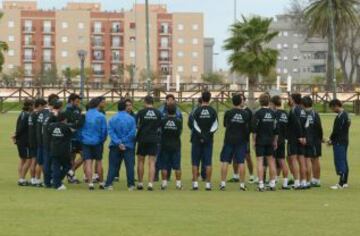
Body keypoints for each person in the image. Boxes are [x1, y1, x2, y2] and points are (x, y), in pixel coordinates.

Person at [219, 94, 249, 191]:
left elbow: (224, 124)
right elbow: (247, 127)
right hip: (241, 140)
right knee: (241, 162)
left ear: (232, 102)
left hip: (229, 139)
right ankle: (242, 185)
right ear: (241, 102)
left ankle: (223, 184)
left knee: (225, 161)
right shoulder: (245, 114)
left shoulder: (228, 113)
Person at [105, 100, 136, 191]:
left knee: (113, 165)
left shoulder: (112, 119)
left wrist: (118, 142)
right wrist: (123, 141)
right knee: (129, 165)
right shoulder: (131, 119)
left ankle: (109, 183)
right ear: (125, 107)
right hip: (128, 145)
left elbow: (111, 132)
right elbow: (132, 133)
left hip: (115, 145)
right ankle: (131, 185)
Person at [190, 91, 218, 191]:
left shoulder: (196, 111)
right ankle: (208, 184)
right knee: (208, 162)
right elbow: (215, 126)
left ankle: (195, 184)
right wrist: (207, 136)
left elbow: (194, 125)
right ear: (209, 99)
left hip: (196, 139)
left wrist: (201, 136)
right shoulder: (213, 111)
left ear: (202, 98)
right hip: (209, 140)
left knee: (195, 162)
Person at [136, 95, 162, 191]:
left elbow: (137, 125)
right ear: (153, 103)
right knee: (152, 162)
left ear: (145, 102)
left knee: (140, 161)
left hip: (142, 138)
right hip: (153, 139)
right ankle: (150, 183)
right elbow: (160, 126)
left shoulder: (141, 112)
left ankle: (140, 183)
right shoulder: (158, 113)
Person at [252, 93, 278, 191]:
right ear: (269, 101)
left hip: (260, 140)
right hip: (270, 140)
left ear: (260, 101)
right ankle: (272, 184)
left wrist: (254, 141)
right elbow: (276, 129)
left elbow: (254, 129)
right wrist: (275, 141)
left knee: (260, 162)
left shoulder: (258, 113)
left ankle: (261, 184)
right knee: (271, 162)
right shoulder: (273, 113)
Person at [81, 97, 108, 190]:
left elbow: (80, 129)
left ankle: (90, 183)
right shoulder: (101, 116)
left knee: (88, 162)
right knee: (99, 161)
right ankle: (101, 182)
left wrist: (83, 138)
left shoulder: (85, 115)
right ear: (97, 104)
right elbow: (104, 130)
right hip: (97, 141)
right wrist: (102, 140)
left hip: (86, 141)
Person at [156, 94, 183, 181]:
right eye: (169, 100)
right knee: (158, 156)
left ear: (174, 101)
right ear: (166, 101)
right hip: (160, 138)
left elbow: (180, 126)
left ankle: (167, 177)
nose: (170, 101)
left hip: (173, 138)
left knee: (170, 159)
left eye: (172, 100)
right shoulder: (160, 110)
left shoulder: (178, 111)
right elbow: (158, 124)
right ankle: (155, 175)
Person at [35, 94, 59, 187]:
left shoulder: (42, 113)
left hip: (41, 140)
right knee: (47, 162)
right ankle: (49, 180)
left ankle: (39, 180)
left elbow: (39, 127)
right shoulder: (51, 114)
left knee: (42, 162)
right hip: (47, 141)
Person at [328, 99, 351, 190]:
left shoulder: (342, 116)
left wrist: (331, 140)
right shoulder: (345, 115)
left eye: (332, 108)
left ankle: (341, 183)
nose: (332, 110)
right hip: (344, 140)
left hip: (339, 141)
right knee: (343, 160)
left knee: (340, 160)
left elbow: (337, 131)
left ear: (336, 106)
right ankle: (345, 182)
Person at [48, 112, 73, 190]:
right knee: (67, 166)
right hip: (64, 151)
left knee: (56, 167)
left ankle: (55, 181)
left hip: (54, 149)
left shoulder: (52, 126)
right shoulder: (66, 127)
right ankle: (57, 183)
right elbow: (71, 134)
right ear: (65, 119)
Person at [302, 96, 323, 188]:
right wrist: (321, 138)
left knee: (310, 160)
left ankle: (313, 180)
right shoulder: (315, 114)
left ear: (302, 104)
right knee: (315, 159)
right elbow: (319, 127)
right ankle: (315, 179)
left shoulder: (303, 113)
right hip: (315, 140)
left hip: (308, 140)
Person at [113, 98, 136, 182]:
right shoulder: (118, 116)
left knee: (131, 160)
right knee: (117, 159)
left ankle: (131, 176)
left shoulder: (134, 116)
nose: (129, 107)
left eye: (130, 105)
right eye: (127, 105)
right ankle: (116, 175)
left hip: (131, 141)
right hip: (119, 141)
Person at [270, 95, 291, 190]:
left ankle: (273, 183)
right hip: (283, 140)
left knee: (273, 161)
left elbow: (273, 127)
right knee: (282, 161)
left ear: (273, 104)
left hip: (275, 139)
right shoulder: (286, 113)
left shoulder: (274, 114)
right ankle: (285, 183)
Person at [287, 93, 307, 189]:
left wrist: (299, 136)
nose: (289, 100)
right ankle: (303, 182)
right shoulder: (303, 110)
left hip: (294, 137)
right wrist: (304, 136)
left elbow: (296, 123)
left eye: (290, 99)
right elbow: (306, 125)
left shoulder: (294, 110)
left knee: (293, 159)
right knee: (302, 160)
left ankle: (296, 182)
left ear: (293, 100)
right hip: (303, 138)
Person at [12, 99, 34, 186]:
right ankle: (22, 179)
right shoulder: (27, 116)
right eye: (32, 105)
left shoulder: (21, 114)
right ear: (29, 106)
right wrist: (16, 136)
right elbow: (21, 128)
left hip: (20, 140)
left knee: (22, 160)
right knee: (28, 160)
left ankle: (21, 178)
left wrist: (16, 137)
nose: (33, 107)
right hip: (25, 141)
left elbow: (18, 127)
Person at [42, 99, 62, 188]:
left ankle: (47, 181)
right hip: (52, 142)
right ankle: (54, 181)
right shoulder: (55, 115)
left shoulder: (47, 115)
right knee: (54, 163)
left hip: (45, 140)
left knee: (46, 162)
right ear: (60, 107)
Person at [64, 93, 84, 184]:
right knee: (72, 157)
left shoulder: (78, 109)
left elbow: (79, 122)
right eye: (77, 101)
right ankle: (71, 177)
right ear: (71, 101)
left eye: (79, 101)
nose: (78, 102)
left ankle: (70, 172)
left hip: (78, 136)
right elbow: (66, 124)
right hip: (71, 137)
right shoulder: (67, 110)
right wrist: (75, 124)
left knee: (84, 155)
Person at [188, 97, 206, 181]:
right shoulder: (208, 111)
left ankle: (196, 175)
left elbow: (190, 124)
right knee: (204, 157)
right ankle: (203, 175)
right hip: (206, 137)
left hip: (195, 136)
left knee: (196, 158)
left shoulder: (193, 111)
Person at [28, 99, 40, 186]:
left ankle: (33, 179)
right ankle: (34, 179)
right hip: (35, 140)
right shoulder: (36, 115)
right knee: (34, 160)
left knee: (33, 160)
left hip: (30, 139)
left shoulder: (31, 114)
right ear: (39, 106)